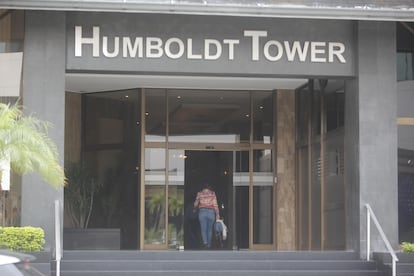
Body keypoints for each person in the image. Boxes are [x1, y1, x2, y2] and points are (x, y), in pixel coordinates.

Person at [193, 183, 220, 249]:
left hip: (202, 212)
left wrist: (196, 204)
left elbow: (195, 204)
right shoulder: (212, 193)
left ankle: (205, 242)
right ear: (209, 187)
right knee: (210, 230)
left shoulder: (200, 193)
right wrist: (217, 214)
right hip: (211, 212)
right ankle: (209, 244)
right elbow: (215, 204)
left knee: (203, 229)